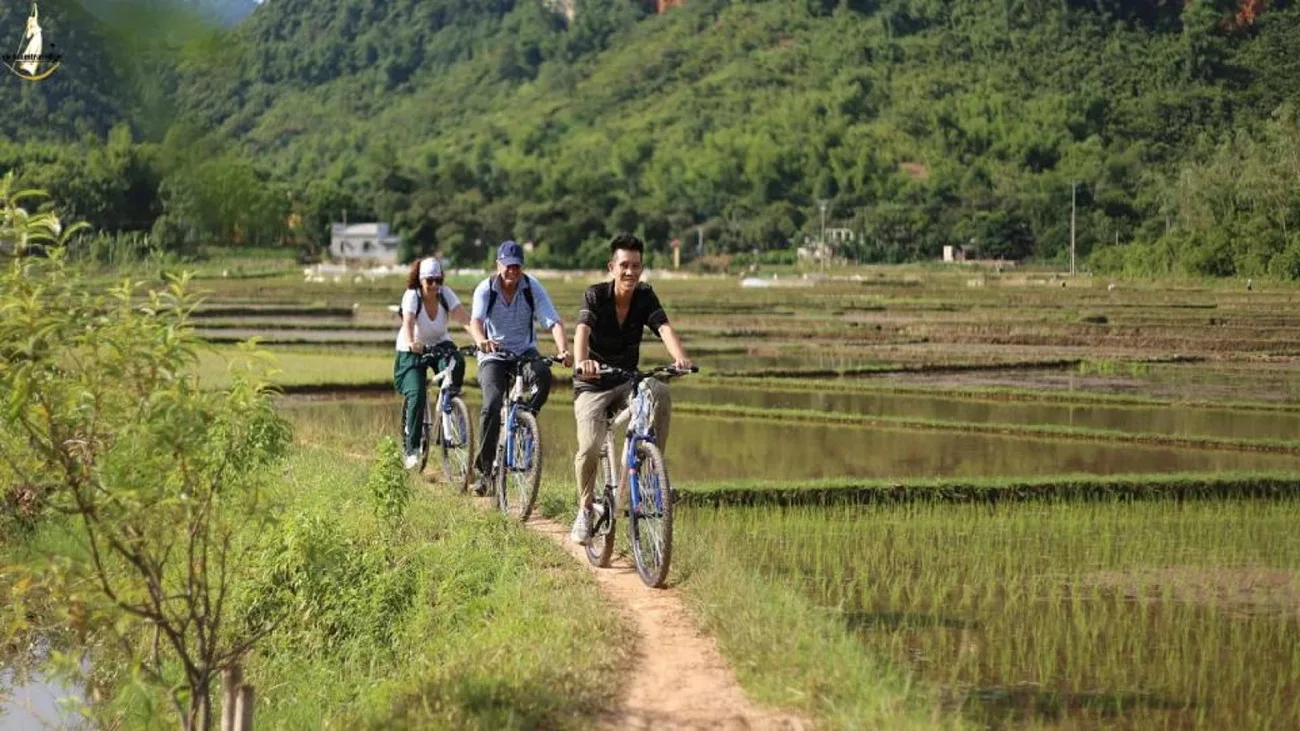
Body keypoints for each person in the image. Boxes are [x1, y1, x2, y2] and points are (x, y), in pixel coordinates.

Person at [570, 233, 693, 545]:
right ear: (612, 267)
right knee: (589, 447)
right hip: (592, 384)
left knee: (658, 392)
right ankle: (585, 509)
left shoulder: (645, 296)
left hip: (627, 380)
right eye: (624, 265)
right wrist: (583, 362)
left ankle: (652, 473)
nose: (630, 272)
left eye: (636, 266)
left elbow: (663, 327)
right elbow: (582, 331)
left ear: (641, 268)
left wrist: (680, 358)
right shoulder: (595, 295)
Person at [469, 240, 572, 495]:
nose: (512, 271)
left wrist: (563, 350)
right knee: (492, 404)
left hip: (524, 352)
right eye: (508, 266)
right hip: (493, 355)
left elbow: (553, 321)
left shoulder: (531, 287)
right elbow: (476, 321)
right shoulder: (486, 289)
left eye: (517, 266)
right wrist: (481, 340)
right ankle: (484, 472)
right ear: (498, 265)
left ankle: (525, 419)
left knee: (543, 376)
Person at [394, 257, 473, 470]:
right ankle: (412, 449)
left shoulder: (445, 295)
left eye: (438, 280)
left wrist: (480, 339)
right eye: (430, 281)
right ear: (420, 281)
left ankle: (448, 401)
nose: (435, 285)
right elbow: (408, 321)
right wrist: (411, 342)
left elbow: (463, 318)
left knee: (457, 360)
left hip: (439, 343)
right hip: (413, 348)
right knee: (417, 393)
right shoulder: (412, 296)